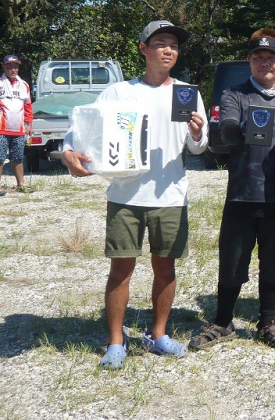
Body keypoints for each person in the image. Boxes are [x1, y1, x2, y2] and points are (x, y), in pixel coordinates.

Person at [62, 20, 208, 369]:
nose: (168, 50)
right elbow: (80, 133)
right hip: (125, 195)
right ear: (143, 49)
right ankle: (115, 341)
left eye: (173, 44)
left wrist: (199, 133)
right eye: (159, 43)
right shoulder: (118, 92)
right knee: (121, 270)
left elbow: (198, 148)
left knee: (165, 269)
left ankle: (159, 336)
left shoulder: (187, 92)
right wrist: (69, 154)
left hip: (171, 195)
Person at [189, 29, 275, 353]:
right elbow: (226, 131)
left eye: (271, 57)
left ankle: (267, 323)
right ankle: (223, 321)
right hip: (243, 192)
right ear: (249, 61)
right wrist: (247, 127)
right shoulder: (234, 95)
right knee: (232, 260)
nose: (264, 62)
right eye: (257, 57)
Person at [0, 55, 33, 194]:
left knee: (18, 157)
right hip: (1, 128)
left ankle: (21, 184)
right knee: (0, 157)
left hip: (18, 129)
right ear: (3, 67)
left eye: (15, 66)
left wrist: (29, 124)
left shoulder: (24, 85)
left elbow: (28, 106)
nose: (13, 69)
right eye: (9, 66)